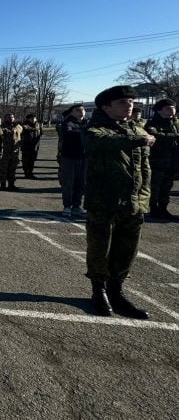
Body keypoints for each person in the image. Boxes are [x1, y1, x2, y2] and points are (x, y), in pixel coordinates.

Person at [83, 85, 155, 319]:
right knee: (100, 248)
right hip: (104, 200)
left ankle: (117, 291)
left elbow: (143, 167)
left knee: (127, 249)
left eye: (131, 102)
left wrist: (144, 195)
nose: (130, 106)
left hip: (135, 201)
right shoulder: (95, 129)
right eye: (123, 103)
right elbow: (103, 142)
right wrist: (139, 139)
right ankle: (99, 290)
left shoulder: (136, 128)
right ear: (106, 107)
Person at [144, 99, 179, 220]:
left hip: (172, 161)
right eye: (168, 108)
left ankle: (163, 209)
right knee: (155, 187)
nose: (172, 110)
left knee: (166, 187)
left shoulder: (175, 123)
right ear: (159, 110)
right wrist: (175, 136)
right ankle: (154, 209)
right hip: (157, 161)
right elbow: (156, 136)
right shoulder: (152, 123)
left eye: (173, 108)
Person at [60, 104, 87, 218]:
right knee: (68, 183)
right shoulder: (67, 122)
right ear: (72, 112)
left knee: (80, 183)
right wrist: (84, 133)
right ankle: (67, 206)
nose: (81, 111)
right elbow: (68, 134)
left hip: (83, 157)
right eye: (77, 110)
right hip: (70, 157)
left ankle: (77, 206)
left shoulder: (87, 123)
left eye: (82, 109)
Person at [0, 113, 23, 191]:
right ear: (5, 118)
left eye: (12, 117)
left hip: (14, 151)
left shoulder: (17, 126)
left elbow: (21, 134)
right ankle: (3, 185)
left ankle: (11, 184)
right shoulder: (2, 127)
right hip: (5, 151)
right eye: (9, 117)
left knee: (12, 169)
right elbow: (1, 133)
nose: (11, 118)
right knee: (3, 169)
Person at [21, 113, 43, 179]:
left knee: (32, 160)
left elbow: (41, 133)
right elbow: (27, 129)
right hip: (26, 146)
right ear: (28, 119)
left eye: (34, 118)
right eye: (32, 118)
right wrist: (35, 129)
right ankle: (26, 173)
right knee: (26, 161)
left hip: (35, 146)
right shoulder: (24, 124)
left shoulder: (38, 124)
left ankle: (30, 173)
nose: (33, 119)